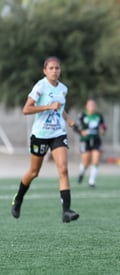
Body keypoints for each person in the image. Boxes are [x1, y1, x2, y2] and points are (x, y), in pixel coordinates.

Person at [11, 56, 80, 223]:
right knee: (34, 172)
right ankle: (19, 198)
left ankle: (66, 211)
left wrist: (68, 119)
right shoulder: (40, 87)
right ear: (45, 71)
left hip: (58, 134)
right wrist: (48, 106)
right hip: (40, 135)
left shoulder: (63, 89)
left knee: (63, 169)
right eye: (51, 68)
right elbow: (26, 109)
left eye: (57, 68)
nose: (55, 71)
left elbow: (60, 110)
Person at [74, 99, 107, 187]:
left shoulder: (98, 116)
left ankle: (92, 181)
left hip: (96, 139)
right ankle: (82, 172)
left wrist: (103, 130)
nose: (92, 107)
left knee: (96, 160)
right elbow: (76, 127)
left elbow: (103, 126)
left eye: (93, 105)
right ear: (86, 106)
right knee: (86, 162)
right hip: (85, 140)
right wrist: (81, 132)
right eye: (90, 105)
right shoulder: (82, 115)